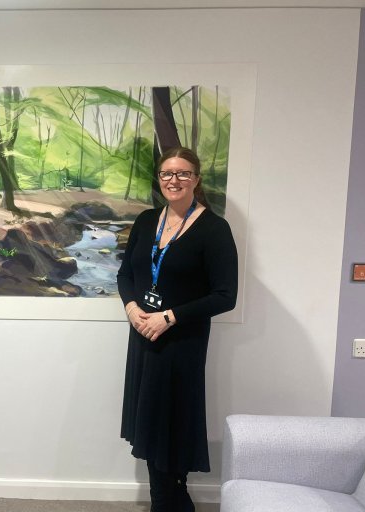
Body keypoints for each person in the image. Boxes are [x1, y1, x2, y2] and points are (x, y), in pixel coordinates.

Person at [116, 147, 238, 512]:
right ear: (159, 179)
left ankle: (170, 498)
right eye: (167, 174)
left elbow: (225, 296)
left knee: (172, 420)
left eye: (183, 173)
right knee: (150, 420)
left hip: (181, 341)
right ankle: (170, 499)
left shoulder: (214, 229)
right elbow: (125, 274)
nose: (174, 180)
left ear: (196, 179)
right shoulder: (145, 221)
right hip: (143, 336)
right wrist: (133, 307)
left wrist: (169, 317)